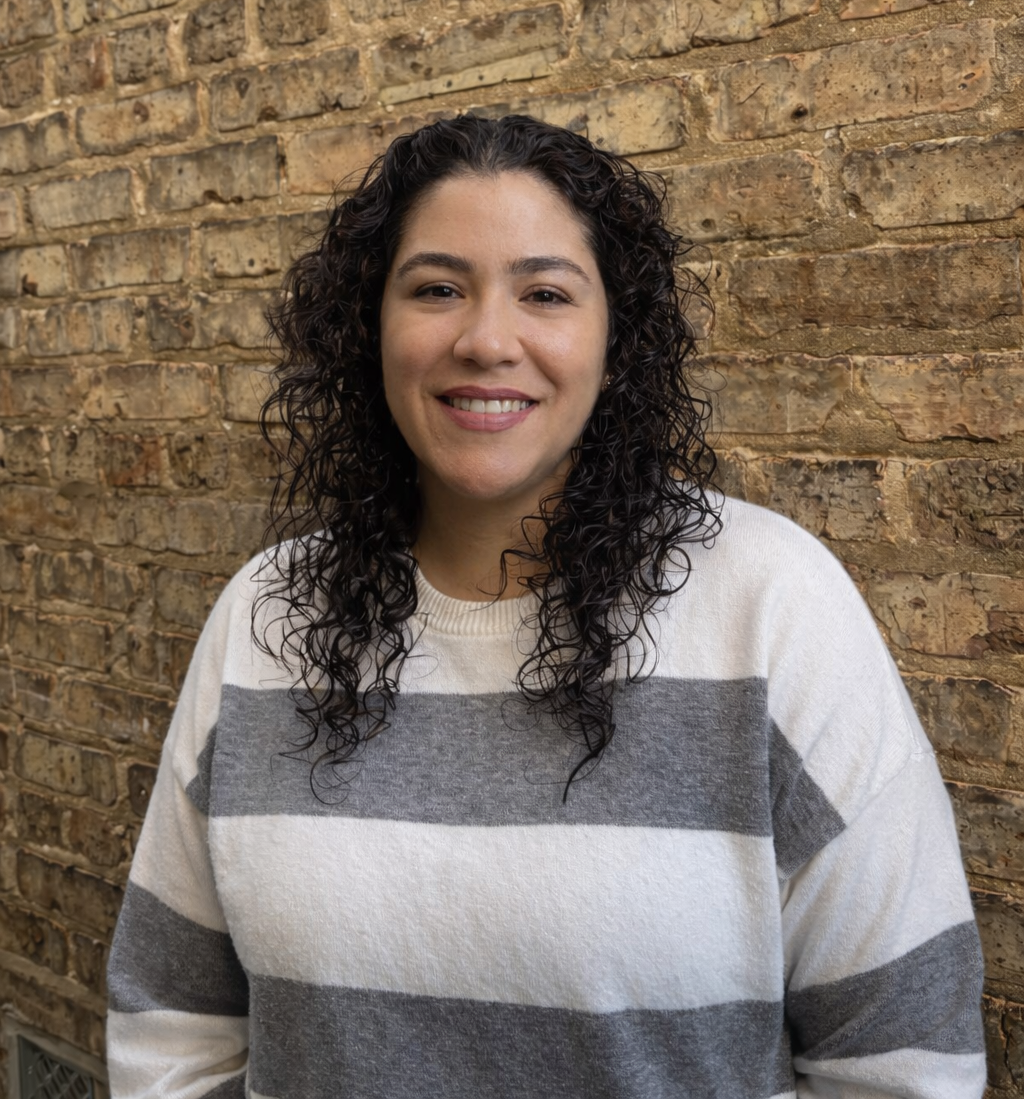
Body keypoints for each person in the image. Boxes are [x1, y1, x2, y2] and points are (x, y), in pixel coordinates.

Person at [105, 114, 985, 1099]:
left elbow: (907, 1063)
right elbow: (171, 1025)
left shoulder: (771, 608)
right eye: (436, 289)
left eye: (545, 293)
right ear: (370, 328)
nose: (486, 339)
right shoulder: (265, 616)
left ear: (616, 341)